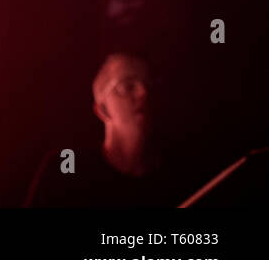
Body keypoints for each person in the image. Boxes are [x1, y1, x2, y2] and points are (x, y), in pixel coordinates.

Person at [25, 53, 193, 207]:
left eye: (148, 84)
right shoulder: (63, 172)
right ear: (103, 109)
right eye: (128, 86)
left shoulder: (179, 177)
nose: (143, 93)